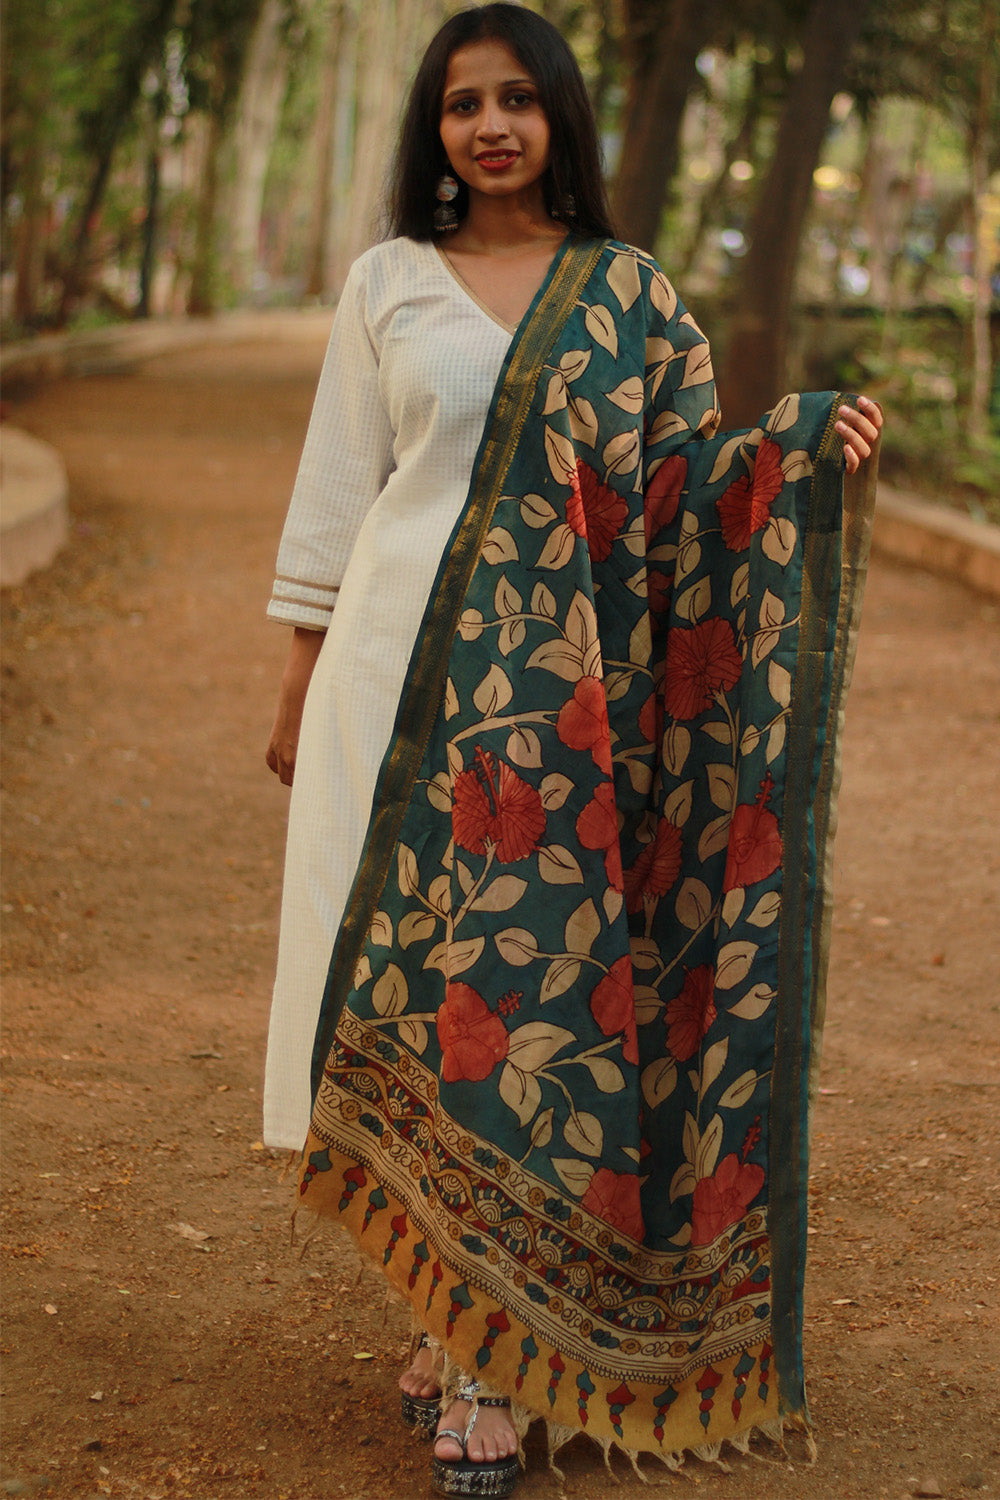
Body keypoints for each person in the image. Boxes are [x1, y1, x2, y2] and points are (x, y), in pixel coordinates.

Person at [263, 5, 882, 1494]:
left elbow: (680, 491)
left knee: (519, 991)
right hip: (390, 692)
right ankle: (455, 1320)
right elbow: (340, 490)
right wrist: (295, 683)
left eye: (520, 102)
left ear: (561, 124)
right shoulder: (389, 285)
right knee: (407, 1006)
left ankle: (491, 1362)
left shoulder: (629, 293)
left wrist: (792, 457)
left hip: (556, 715)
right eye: (465, 104)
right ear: (436, 129)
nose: (490, 127)